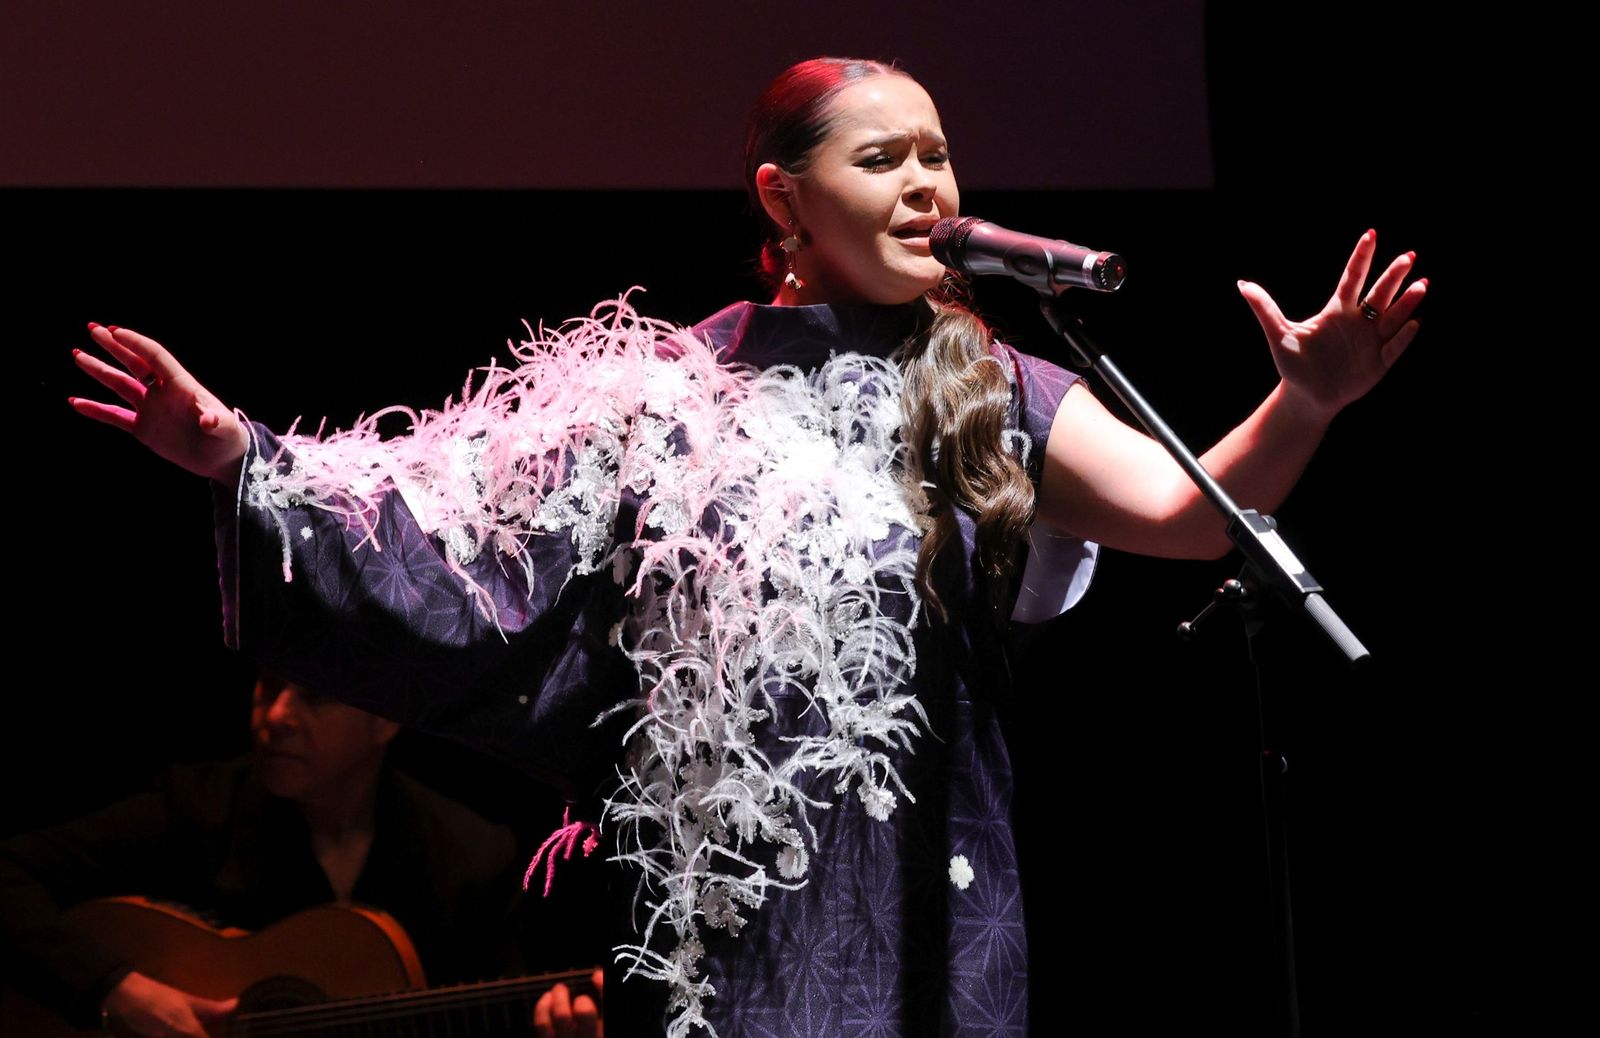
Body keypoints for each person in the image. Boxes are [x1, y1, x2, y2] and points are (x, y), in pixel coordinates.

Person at [66, 56, 1424, 1037]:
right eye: (880, 159)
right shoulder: (665, 390)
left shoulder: (984, 380)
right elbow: (442, 530)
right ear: (784, 198)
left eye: (937, 155)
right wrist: (239, 457)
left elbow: (1192, 514)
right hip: (734, 925)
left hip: (942, 906)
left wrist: (1305, 402)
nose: (925, 184)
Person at [0, 672, 529, 1036]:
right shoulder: (200, 808)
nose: (275, 716)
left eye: (315, 695)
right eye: (269, 685)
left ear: (386, 719)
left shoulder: (469, 858)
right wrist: (116, 991)